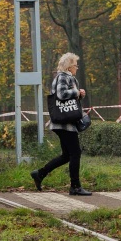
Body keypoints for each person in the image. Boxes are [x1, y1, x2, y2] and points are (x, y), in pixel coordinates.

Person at [30, 53, 92, 196]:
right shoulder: (63, 76)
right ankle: (75, 187)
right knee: (75, 153)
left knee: (67, 155)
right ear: (69, 67)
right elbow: (61, 94)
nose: (77, 67)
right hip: (65, 124)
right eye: (76, 65)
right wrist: (76, 92)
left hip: (65, 123)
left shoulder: (66, 77)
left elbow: (67, 98)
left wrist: (79, 94)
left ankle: (40, 173)